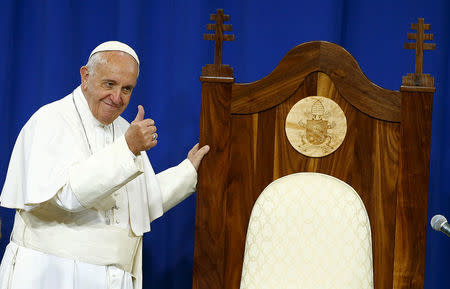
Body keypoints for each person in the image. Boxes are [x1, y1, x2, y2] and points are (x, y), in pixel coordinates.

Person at [0, 41, 209, 289]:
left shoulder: (123, 129)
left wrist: (188, 172)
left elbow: (139, 205)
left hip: (111, 278)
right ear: (86, 76)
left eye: (127, 89)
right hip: (52, 273)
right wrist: (127, 149)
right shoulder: (49, 120)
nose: (117, 98)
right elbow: (68, 196)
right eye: (109, 84)